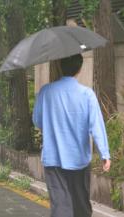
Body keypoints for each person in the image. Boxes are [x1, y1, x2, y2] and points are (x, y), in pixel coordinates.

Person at [32, 54, 111, 217]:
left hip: (53, 159)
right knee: (81, 203)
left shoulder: (46, 91)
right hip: (79, 159)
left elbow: (37, 121)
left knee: (61, 205)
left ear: (60, 67)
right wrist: (105, 153)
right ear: (80, 68)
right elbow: (96, 125)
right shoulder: (87, 94)